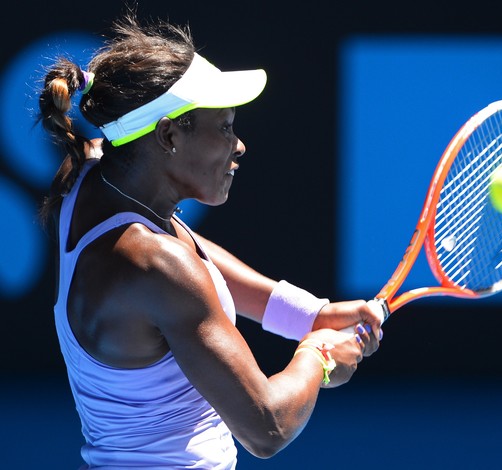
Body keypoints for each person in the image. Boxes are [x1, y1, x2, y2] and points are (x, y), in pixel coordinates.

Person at [37, 11, 383, 469]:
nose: (238, 146)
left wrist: (308, 314)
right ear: (168, 135)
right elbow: (268, 427)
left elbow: (188, 249)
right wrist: (316, 358)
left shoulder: (93, 177)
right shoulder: (156, 265)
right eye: (223, 127)